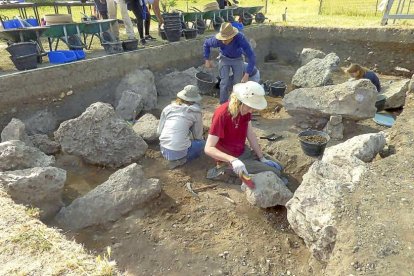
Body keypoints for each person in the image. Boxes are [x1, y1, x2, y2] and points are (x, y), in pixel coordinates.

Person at [204, 81, 283, 187]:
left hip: (243, 151)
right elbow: (208, 148)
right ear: (239, 102)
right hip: (229, 158)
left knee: (279, 167)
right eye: (250, 107)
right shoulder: (222, 114)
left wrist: (261, 158)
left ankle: (239, 170)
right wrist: (233, 160)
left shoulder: (245, 112)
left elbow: (250, 135)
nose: (251, 111)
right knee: (276, 173)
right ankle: (224, 170)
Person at [203, 22, 256, 104]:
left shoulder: (240, 38)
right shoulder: (217, 40)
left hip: (238, 59)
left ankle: (235, 103)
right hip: (224, 58)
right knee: (224, 82)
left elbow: (251, 56)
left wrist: (247, 74)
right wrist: (207, 59)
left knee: (237, 83)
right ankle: (223, 103)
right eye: (222, 38)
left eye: (226, 39)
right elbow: (206, 44)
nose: (223, 41)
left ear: (232, 36)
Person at [157, 85, 205, 169]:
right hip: (178, 150)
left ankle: (174, 157)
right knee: (202, 144)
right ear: (194, 100)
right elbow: (198, 136)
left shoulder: (168, 108)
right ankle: (182, 160)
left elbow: (159, 132)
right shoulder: (195, 112)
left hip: (163, 148)